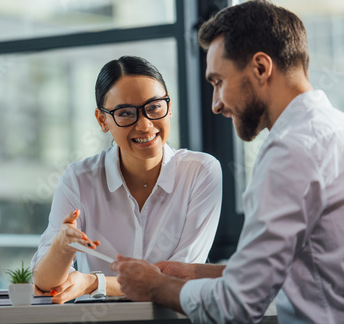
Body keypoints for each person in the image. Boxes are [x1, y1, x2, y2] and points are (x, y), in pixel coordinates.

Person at [111, 0, 344, 324]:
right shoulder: (334, 129)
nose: (215, 105)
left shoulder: (290, 152)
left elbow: (236, 305)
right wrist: (194, 272)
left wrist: (155, 286)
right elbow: (306, 268)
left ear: (261, 68)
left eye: (218, 82)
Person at [31, 56, 222, 303]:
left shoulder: (201, 171)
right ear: (102, 120)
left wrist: (94, 283)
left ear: (169, 105)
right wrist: (62, 247)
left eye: (154, 107)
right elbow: (45, 284)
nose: (144, 125)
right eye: (125, 113)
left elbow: (179, 277)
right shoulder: (79, 178)